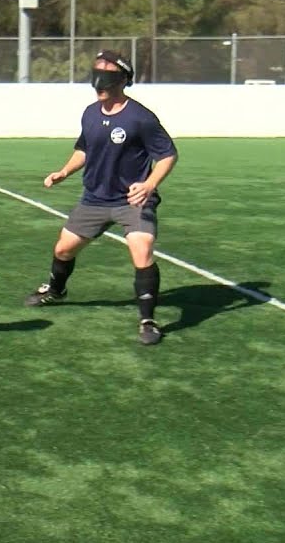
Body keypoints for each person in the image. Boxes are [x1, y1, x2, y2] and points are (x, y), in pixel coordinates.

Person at [24, 50, 179, 346]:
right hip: (94, 199)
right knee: (63, 250)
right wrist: (64, 171)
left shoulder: (140, 117)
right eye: (97, 71)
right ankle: (56, 290)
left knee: (142, 249)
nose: (99, 78)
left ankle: (147, 320)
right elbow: (83, 148)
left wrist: (148, 184)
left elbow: (168, 155)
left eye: (106, 72)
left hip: (132, 200)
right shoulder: (90, 113)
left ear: (121, 79)